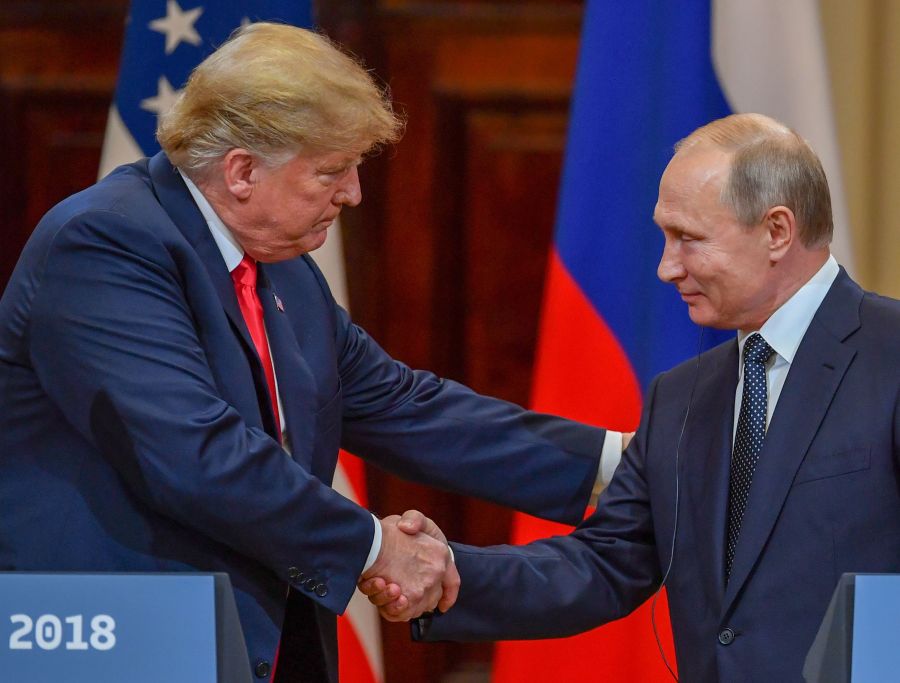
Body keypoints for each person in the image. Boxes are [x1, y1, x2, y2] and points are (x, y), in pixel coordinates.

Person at [0, 23, 627, 683]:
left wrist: (623, 463)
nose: (353, 192)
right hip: (116, 646)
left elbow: (406, 406)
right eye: (331, 171)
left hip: (253, 645)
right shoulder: (104, 243)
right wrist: (376, 547)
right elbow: (197, 454)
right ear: (242, 171)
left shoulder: (286, 272)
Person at [371, 113, 900, 681]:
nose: (666, 267)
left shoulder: (888, 355)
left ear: (776, 231)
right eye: (664, 237)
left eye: (689, 239)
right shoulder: (684, 396)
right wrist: (447, 571)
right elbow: (603, 562)